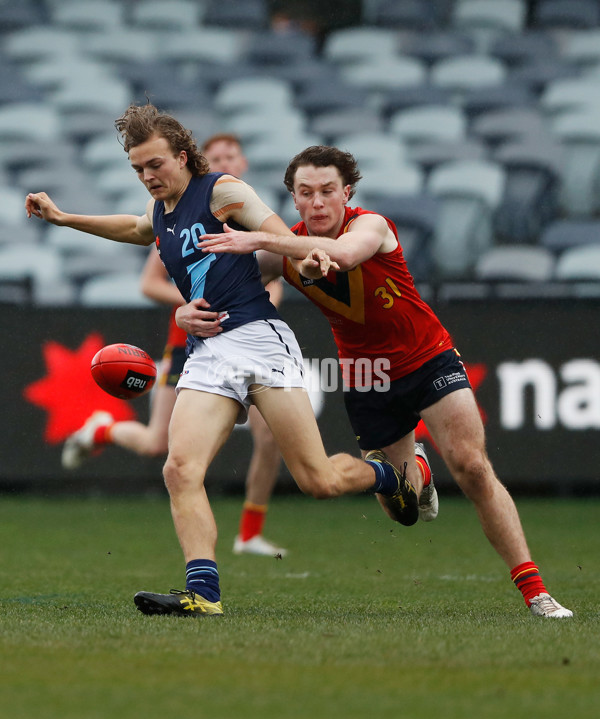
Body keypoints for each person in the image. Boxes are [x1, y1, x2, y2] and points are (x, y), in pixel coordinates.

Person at [25, 104, 418, 619]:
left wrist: (310, 255)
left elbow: (278, 231)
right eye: (138, 169)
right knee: (179, 467)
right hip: (208, 351)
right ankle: (203, 593)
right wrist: (63, 218)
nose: (148, 177)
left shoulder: (221, 190)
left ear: (183, 157)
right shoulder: (160, 213)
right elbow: (133, 228)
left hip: (259, 338)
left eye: (155, 165)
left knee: (317, 482)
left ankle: (389, 477)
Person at [187, 145, 573, 619]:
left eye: (328, 191)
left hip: (426, 356)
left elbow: (344, 256)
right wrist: (187, 310)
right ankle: (419, 471)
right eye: (305, 193)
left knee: (472, 466)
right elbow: (221, 287)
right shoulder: (284, 251)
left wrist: (262, 241)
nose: (318, 202)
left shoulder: (370, 226)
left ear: (346, 192)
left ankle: (535, 590)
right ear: (293, 200)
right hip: (366, 377)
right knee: (404, 511)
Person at [61, 132, 287, 557]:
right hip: (190, 341)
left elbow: (276, 266)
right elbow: (149, 274)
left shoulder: (241, 210)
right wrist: (190, 306)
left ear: (242, 164)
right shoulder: (176, 212)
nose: (224, 163)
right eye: (216, 156)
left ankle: (250, 532)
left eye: (230, 156)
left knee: (272, 437)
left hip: (247, 338)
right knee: (158, 445)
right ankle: (101, 428)